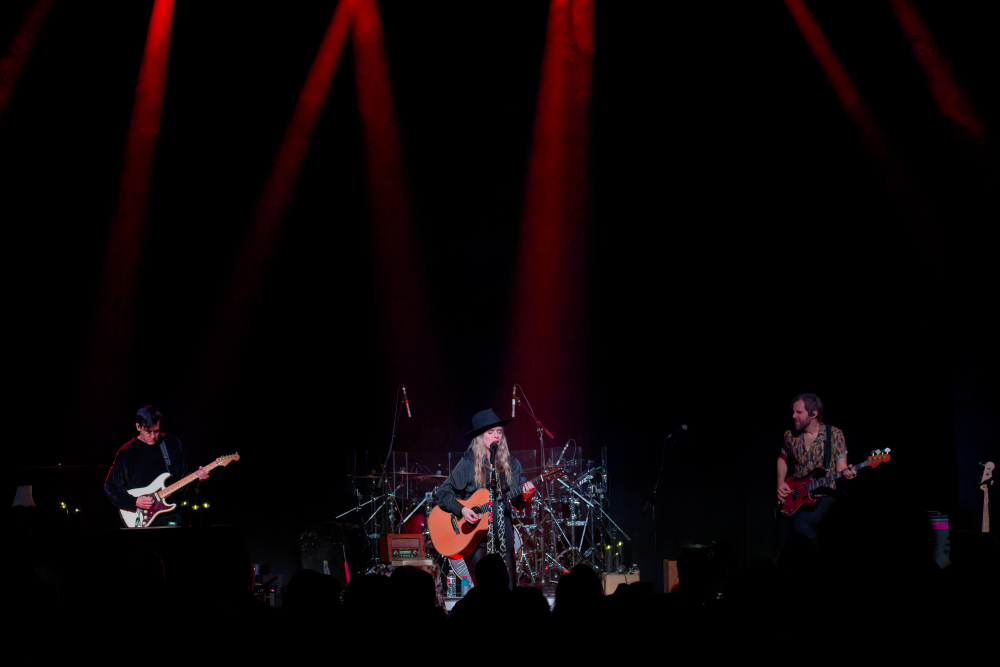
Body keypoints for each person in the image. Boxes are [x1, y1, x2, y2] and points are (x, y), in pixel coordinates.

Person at [436, 408, 536, 589]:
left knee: (508, 590)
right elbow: (443, 493)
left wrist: (524, 496)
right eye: (490, 432)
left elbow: (515, 500)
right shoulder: (468, 463)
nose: (496, 436)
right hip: (475, 539)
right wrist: (462, 509)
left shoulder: (511, 464)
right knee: (483, 591)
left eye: (499, 431)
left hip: (503, 537)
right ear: (480, 437)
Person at [104, 405, 209, 526]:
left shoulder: (171, 443)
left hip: (173, 515)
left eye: (156, 431)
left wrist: (199, 479)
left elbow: (184, 479)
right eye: (148, 432)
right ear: (138, 427)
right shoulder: (126, 452)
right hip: (142, 518)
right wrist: (134, 501)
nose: (153, 436)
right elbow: (110, 487)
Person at [776, 393, 855, 542]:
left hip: (827, 495)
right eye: (793, 412)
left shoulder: (834, 434)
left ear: (813, 414)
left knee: (804, 523)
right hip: (799, 497)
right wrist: (781, 481)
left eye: (799, 412)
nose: (793, 416)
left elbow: (842, 469)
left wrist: (847, 474)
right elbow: (782, 458)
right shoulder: (790, 436)